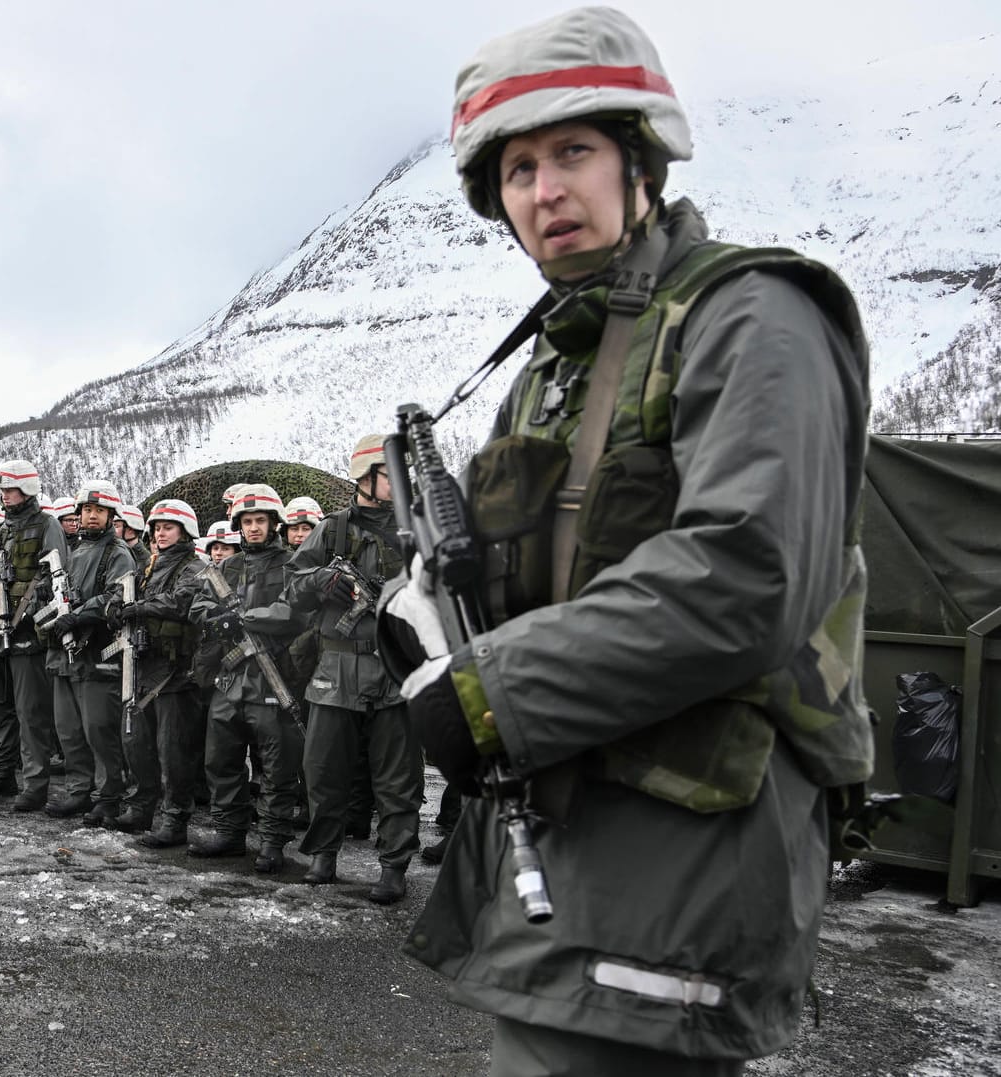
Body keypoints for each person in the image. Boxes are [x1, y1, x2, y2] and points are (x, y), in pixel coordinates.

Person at [382, 8, 873, 1073]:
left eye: (572, 152)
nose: (544, 189)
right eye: (516, 170)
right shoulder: (555, 365)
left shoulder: (749, 315)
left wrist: (483, 694)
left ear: (638, 159)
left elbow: (747, 573)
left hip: (684, 844)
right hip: (574, 832)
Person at [285, 437, 422, 904]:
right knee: (323, 768)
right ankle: (323, 855)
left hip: (397, 666)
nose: (400, 483)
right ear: (366, 478)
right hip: (337, 665)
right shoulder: (333, 531)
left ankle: (394, 866)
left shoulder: (418, 530)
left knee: (397, 776)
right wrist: (321, 579)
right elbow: (294, 584)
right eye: (390, 475)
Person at [188, 484, 306, 871]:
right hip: (230, 678)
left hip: (274, 678)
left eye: (260, 521)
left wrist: (244, 618)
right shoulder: (226, 567)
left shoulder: (293, 564)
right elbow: (199, 603)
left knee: (277, 767)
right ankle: (229, 833)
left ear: (274, 524)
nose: (253, 528)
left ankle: (272, 840)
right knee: (221, 760)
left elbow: (293, 612)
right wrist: (216, 619)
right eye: (247, 521)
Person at [0, 460, 67, 805]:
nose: (5, 497)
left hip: (26, 631)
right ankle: (0, 774)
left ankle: (36, 784)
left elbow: (55, 575)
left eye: (10, 490)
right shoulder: (0, 530)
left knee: (30, 712)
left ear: (28, 490)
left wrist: (28, 605)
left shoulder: (47, 525)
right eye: (2, 491)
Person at [42, 479, 137, 826]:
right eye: (86, 510)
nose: (91, 516)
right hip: (68, 657)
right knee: (68, 729)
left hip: (99, 656)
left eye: (98, 511)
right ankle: (79, 790)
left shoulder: (118, 552)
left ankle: (107, 796)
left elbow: (117, 595)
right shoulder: (75, 551)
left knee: (99, 730)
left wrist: (78, 615)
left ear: (111, 515)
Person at [109, 498, 204, 846]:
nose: (161, 534)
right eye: (158, 528)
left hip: (176, 675)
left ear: (184, 531)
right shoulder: (148, 568)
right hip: (143, 668)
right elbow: (123, 594)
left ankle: (175, 820)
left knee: (174, 751)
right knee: (137, 742)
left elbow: (183, 601)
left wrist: (139, 607)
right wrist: (117, 606)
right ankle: (140, 808)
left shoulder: (195, 566)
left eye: (169, 527)